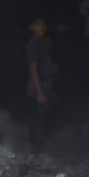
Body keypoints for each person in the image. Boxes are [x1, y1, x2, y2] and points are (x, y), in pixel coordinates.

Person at [25, 16, 57, 149]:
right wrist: (39, 92)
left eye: (43, 24)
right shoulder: (32, 44)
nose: (41, 27)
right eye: (37, 24)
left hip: (48, 83)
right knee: (38, 119)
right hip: (38, 86)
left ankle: (41, 148)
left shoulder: (46, 41)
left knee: (46, 117)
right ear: (31, 27)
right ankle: (35, 150)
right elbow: (33, 70)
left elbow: (47, 60)